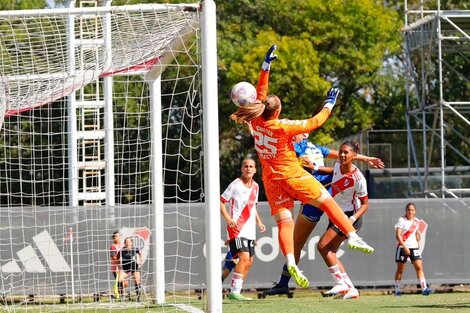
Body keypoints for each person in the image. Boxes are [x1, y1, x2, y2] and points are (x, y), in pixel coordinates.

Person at [230, 45, 374, 289]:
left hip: (271, 180)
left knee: (286, 223)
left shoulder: (255, 119)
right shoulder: (282, 126)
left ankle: (291, 262)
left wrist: (265, 68)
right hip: (292, 174)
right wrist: (329, 103)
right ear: (278, 110)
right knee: (327, 200)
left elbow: (261, 93)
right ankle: (353, 236)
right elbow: (315, 121)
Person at [264, 134, 385, 295]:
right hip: (329, 196)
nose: (291, 133)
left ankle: (284, 283)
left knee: (302, 244)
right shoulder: (320, 150)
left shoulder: (295, 147)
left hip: (316, 196)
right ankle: (348, 286)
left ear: (304, 134)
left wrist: (259, 136)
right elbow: (341, 156)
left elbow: (345, 156)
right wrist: (367, 158)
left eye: (295, 131)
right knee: (326, 250)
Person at [317, 141, 371, 299]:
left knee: (322, 246)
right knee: (330, 252)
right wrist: (315, 168)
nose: (342, 155)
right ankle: (350, 288)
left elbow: (366, 205)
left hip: (349, 218)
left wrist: (350, 220)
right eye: (341, 151)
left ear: (354, 156)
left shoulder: (359, 179)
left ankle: (341, 283)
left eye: (346, 152)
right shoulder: (337, 165)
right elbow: (332, 172)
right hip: (336, 215)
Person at [220, 158, 266, 301]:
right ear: (241, 169)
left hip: (250, 230)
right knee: (244, 258)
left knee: (249, 261)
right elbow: (221, 201)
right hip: (237, 228)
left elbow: (253, 207)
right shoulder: (235, 184)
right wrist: (228, 218)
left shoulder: (256, 186)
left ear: (255, 170)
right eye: (245, 166)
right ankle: (234, 292)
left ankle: (236, 291)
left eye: (251, 166)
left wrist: (259, 222)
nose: (248, 168)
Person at [394, 203, 433, 296]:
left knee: (419, 267)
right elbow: (398, 235)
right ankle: (397, 290)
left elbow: (416, 236)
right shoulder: (401, 220)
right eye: (409, 210)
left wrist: (418, 237)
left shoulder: (416, 221)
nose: (410, 212)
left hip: (414, 247)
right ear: (406, 211)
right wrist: (405, 246)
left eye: (412, 210)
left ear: (415, 211)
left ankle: (424, 289)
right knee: (400, 269)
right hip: (403, 247)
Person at [119, 237, 143, 301]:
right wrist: (119, 265)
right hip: (125, 268)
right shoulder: (122, 250)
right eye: (126, 242)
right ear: (124, 243)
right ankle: (122, 297)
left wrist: (141, 259)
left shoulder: (135, 249)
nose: (128, 243)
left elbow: (140, 252)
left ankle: (138, 297)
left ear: (131, 243)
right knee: (120, 279)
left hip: (134, 266)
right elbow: (117, 257)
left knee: (137, 280)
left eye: (129, 242)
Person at [110, 231, 123, 299]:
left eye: (119, 236)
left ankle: (115, 291)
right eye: (116, 236)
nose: (118, 237)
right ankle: (119, 296)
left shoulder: (122, 246)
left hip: (122, 267)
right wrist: (119, 262)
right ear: (114, 238)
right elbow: (113, 257)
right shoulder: (113, 246)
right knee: (120, 282)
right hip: (116, 268)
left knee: (124, 283)